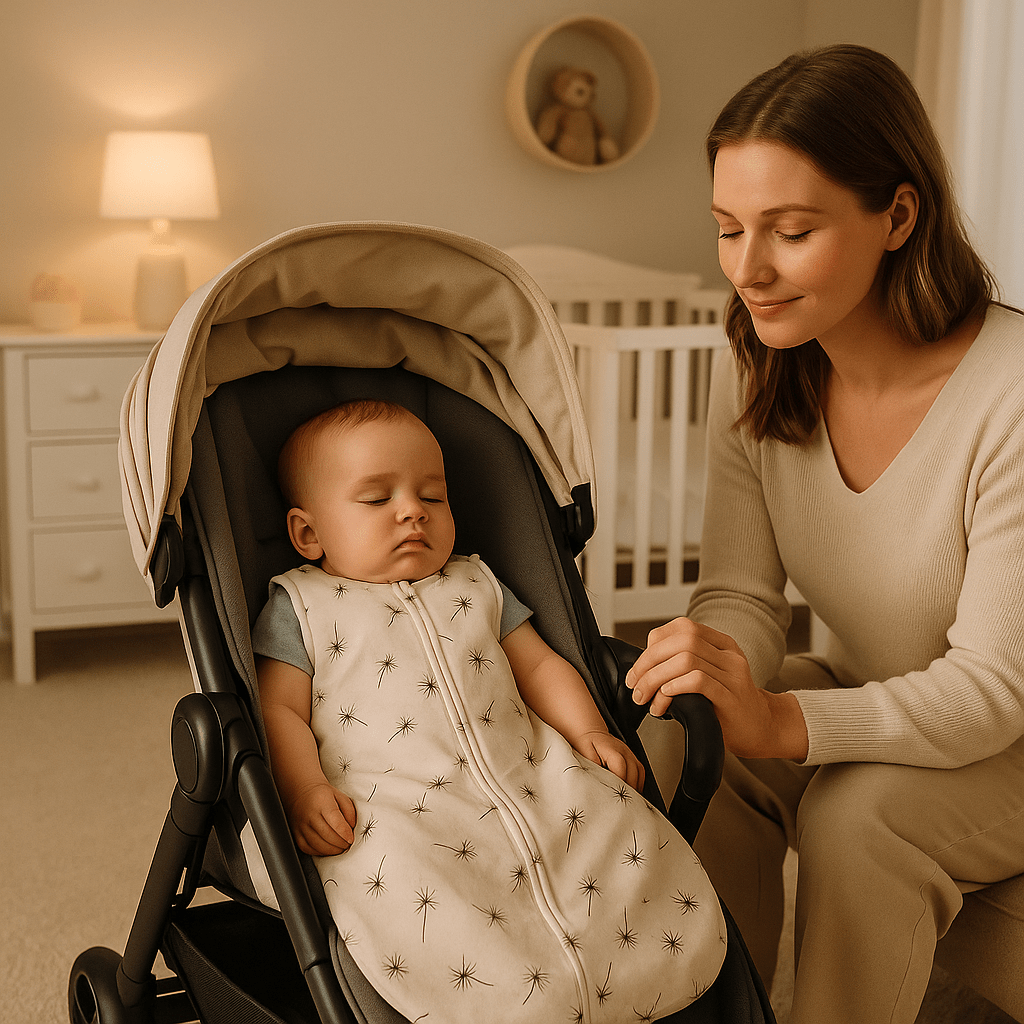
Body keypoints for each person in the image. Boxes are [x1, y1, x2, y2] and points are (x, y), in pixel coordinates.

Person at [625, 43, 1024, 1024]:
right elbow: (741, 594)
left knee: (857, 814)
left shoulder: (1009, 393)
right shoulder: (759, 366)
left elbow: (991, 689)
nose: (747, 270)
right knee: (690, 736)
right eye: (727, 229)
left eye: (790, 231)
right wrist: (718, 670)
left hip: (1011, 733)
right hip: (881, 690)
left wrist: (789, 721)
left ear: (896, 214)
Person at [253, 399, 726, 1024]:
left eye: (433, 495)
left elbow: (539, 667)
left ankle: (625, 971)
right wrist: (304, 788)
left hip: (527, 775)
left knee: (606, 825)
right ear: (308, 533)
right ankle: (519, 1000)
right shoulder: (303, 606)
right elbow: (278, 711)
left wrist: (587, 730)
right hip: (392, 802)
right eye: (377, 499)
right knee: (407, 873)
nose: (412, 510)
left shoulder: (475, 583)